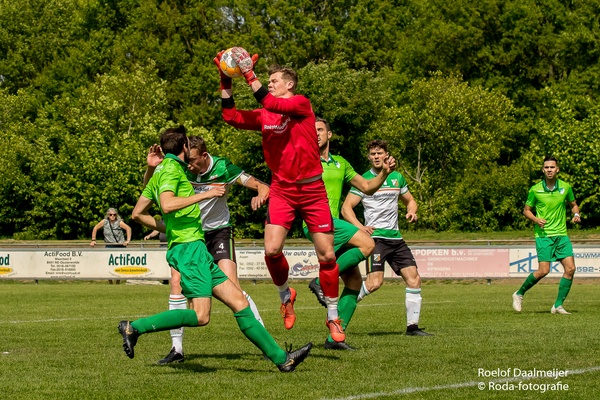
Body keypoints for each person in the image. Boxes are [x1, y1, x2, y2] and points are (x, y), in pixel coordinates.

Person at [121, 126, 312, 372]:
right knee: (201, 316)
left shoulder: (163, 171)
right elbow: (167, 205)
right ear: (184, 148)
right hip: (190, 249)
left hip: (194, 246)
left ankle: (282, 359)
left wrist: (169, 227)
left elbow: (137, 213)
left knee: (239, 302)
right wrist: (206, 195)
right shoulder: (170, 170)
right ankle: (134, 327)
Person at [214, 48, 344, 342]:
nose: (270, 83)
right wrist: (226, 81)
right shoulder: (265, 115)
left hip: (312, 190)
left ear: (290, 85)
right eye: (268, 79)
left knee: (327, 255)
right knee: (271, 250)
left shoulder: (301, 104)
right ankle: (286, 296)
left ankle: (333, 317)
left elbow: (269, 100)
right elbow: (230, 116)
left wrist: (249, 73)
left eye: (275, 80)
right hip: (283, 190)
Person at [143, 136, 270, 365]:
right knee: (175, 283)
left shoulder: (222, 167)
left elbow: (259, 183)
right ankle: (177, 348)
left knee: (234, 289)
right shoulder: (179, 168)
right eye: (187, 161)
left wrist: (261, 192)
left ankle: (265, 342)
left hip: (219, 232)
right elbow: (151, 190)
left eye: (193, 161)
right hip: (190, 236)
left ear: (204, 155)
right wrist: (151, 169)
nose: (189, 166)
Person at [305, 117, 396, 350]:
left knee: (355, 282)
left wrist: (384, 172)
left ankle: (335, 338)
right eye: (312, 130)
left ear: (329, 134)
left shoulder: (341, 163)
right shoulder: (305, 160)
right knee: (367, 244)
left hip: (333, 224)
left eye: (320, 130)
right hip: (315, 221)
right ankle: (319, 282)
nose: (316, 134)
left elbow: (367, 187)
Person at [341, 139, 433, 336]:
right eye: (372, 154)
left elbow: (411, 201)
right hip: (376, 240)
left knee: (414, 279)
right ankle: (342, 308)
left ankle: (412, 328)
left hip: (396, 239)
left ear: (386, 155)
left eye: (379, 153)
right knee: (374, 283)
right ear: (369, 157)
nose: (376, 157)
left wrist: (412, 211)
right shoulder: (364, 180)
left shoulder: (397, 178)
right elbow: (346, 209)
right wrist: (360, 228)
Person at [512, 156, 580, 314]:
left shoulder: (565, 187)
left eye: (552, 167)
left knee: (570, 269)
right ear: (543, 170)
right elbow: (526, 211)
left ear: (557, 169)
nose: (549, 170)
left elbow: (574, 204)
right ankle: (519, 293)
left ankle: (557, 305)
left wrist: (576, 214)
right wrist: (536, 220)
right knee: (543, 270)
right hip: (543, 235)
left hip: (562, 234)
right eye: (546, 167)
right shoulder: (535, 189)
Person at [90, 208, 132, 284]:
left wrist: (128, 240)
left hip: (119, 245)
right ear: (108, 215)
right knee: (108, 265)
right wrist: (93, 239)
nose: (112, 216)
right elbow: (95, 228)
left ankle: (117, 282)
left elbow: (128, 228)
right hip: (109, 245)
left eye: (114, 214)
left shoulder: (119, 222)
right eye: (111, 214)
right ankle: (110, 282)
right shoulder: (104, 222)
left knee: (119, 265)